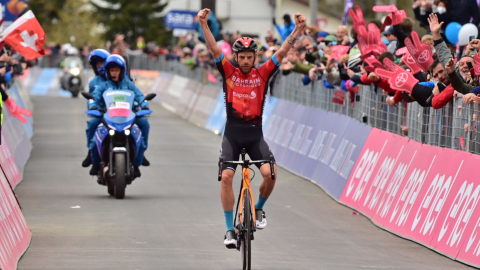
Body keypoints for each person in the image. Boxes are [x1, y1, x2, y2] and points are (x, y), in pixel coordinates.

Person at [197, 8, 306, 248]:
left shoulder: (263, 73)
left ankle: (258, 209)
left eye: (250, 57)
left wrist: (298, 29)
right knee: (226, 177)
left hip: (255, 135)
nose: (246, 61)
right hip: (232, 135)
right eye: (242, 57)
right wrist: (204, 24)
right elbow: (215, 49)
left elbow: (282, 51)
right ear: (236, 57)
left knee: (271, 174)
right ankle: (228, 229)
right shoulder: (228, 72)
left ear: (255, 57)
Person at [88, 55, 150, 179]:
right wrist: (93, 106)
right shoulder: (103, 86)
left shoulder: (129, 84)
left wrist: (144, 105)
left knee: (144, 124)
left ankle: (137, 163)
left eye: (116, 70)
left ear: (122, 70)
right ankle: (95, 163)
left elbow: (140, 96)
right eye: (112, 70)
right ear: (108, 72)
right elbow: (94, 97)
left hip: (128, 117)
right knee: (94, 134)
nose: (114, 73)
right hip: (107, 117)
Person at [82, 49, 110, 168]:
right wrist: (93, 106)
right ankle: (92, 153)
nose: (100, 66)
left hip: (120, 113)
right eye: (97, 64)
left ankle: (137, 156)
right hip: (101, 113)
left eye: (102, 62)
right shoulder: (93, 82)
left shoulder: (119, 77)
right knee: (92, 123)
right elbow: (92, 98)